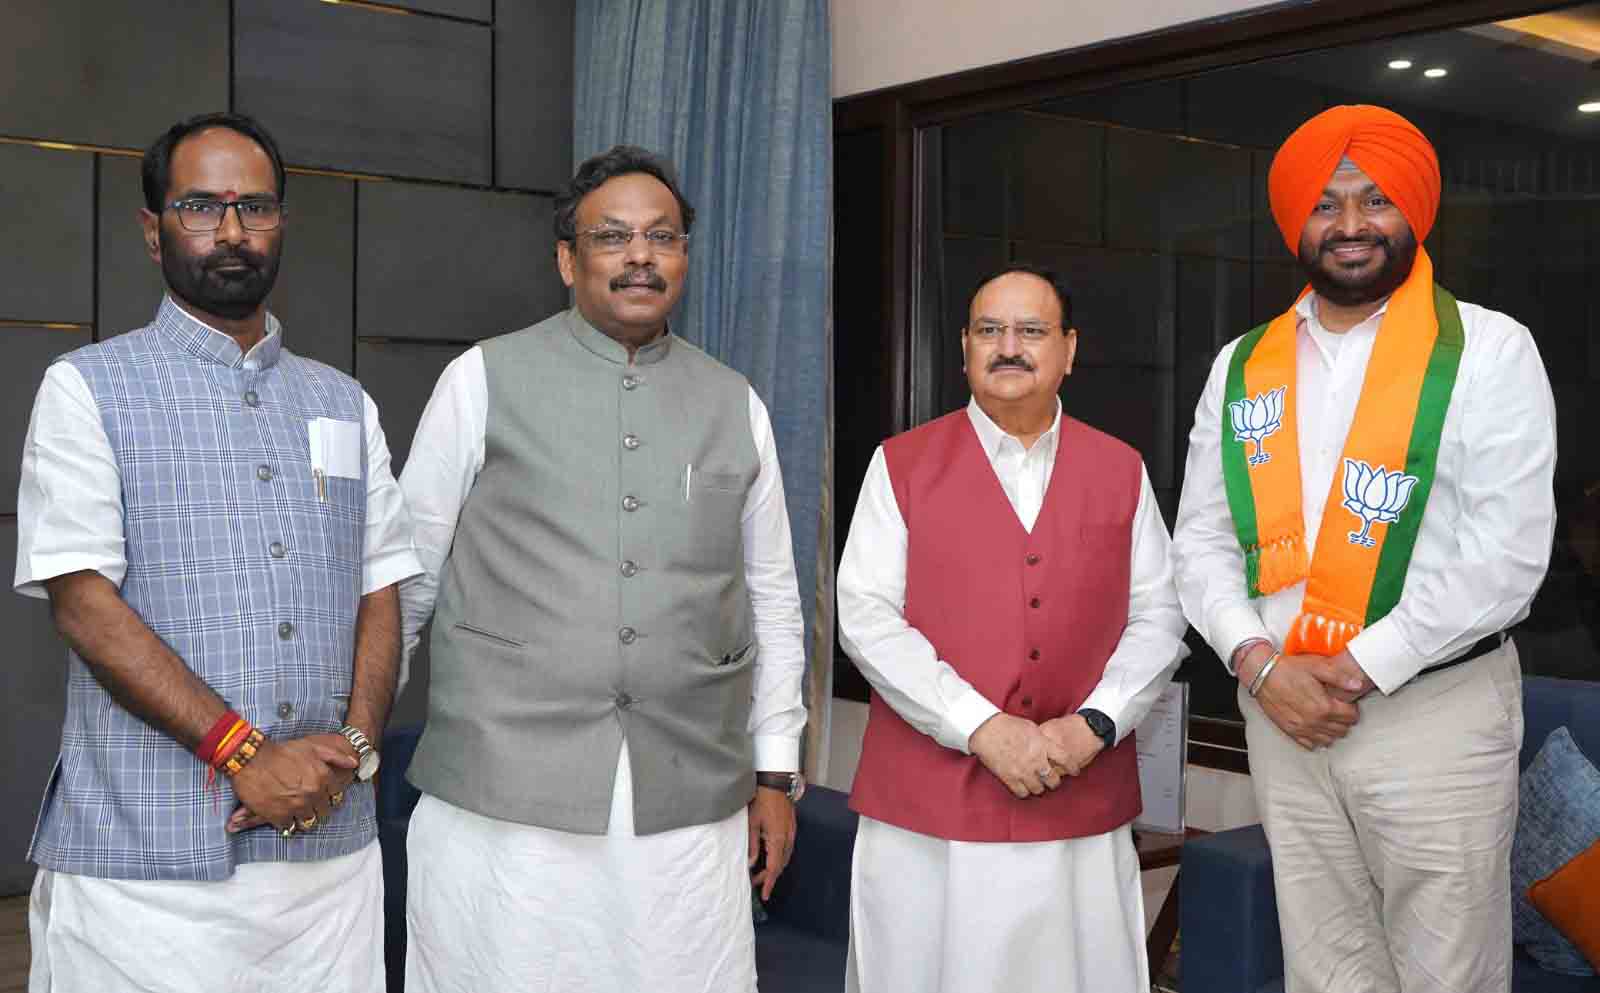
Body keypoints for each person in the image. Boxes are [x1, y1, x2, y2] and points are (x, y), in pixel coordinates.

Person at [17, 111, 419, 991]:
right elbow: (84, 601)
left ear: (282, 223)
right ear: (154, 231)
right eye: (201, 206)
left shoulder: (343, 401)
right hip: (145, 869)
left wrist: (353, 744)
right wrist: (244, 752)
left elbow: (380, 586)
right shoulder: (88, 388)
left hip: (330, 865)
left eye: (256, 207)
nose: (232, 231)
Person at [397, 144, 808, 992]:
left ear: (686, 257)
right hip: (502, 795)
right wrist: (355, 729)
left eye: (662, 236)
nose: (640, 256)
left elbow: (773, 596)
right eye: (613, 236)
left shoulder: (737, 402)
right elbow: (407, 577)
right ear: (566, 258)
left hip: (687, 794)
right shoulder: (479, 379)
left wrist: (775, 770)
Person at [1173, 105, 1556, 993]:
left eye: (1375, 199)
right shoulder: (1242, 366)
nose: (1350, 225)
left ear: (1415, 211)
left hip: (1435, 715)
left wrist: (1350, 668)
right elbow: (1198, 544)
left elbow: (1506, 556)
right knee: (1327, 968)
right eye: (1326, 202)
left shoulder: (1489, 351)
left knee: (1447, 975)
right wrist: (1263, 666)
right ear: (1294, 222)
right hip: (1281, 717)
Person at [837, 263, 1188, 993]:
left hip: (1079, 803)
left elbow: (1160, 614)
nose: (1009, 347)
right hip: (927, 819)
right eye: (990, 330)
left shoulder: (1122, 469)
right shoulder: (900, 465)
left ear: (1069, 349)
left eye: (1031, 330)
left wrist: (1095, 723)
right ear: (964, 347)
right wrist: (979, 725)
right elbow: (865, 616)